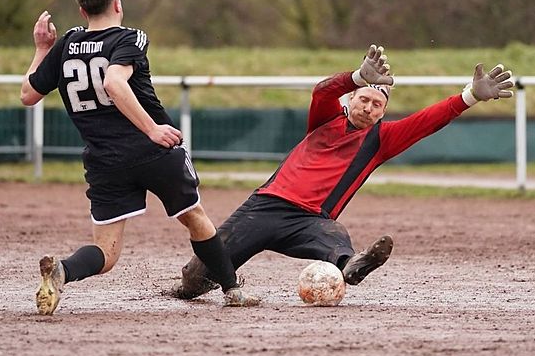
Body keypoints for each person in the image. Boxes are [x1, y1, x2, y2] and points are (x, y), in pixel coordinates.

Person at [171, 46, 514, 300]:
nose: (368, 107)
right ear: (351, 100)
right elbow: (323, 90)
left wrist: (469, 97)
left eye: (377, 104)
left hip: (310, 221)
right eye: (363, 99)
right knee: (197, 275)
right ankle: (189, 285)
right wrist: (357, 76)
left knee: (336, 237)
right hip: (265, 206)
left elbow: (427, 121)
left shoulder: (382, 139)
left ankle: (353, 265)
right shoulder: (325, 118)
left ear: (383, 112)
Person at [20, 0, 259, 315]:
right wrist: (151, 130)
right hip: (154, 152)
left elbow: (28, 94)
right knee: (195, 217)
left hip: (105, 160)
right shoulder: (129, 38)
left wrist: (42, 49)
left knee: (106, 253)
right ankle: (232, 290)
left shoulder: (67, 43)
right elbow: (114, 83)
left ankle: (63, 271)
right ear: (117, 4)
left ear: (83, 11)